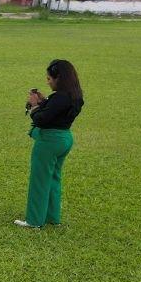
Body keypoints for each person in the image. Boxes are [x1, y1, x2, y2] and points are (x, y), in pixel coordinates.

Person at [16, 59, 84, 228]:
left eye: (49, 78)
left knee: (39, 180)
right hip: (64, 139)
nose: (48, 81)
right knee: (53, 178)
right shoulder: (74, 95)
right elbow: (56, 109)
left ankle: (34, 220)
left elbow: (42, 119)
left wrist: (33, 106)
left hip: (49, 142)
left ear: (59, 78)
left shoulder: (59, 97)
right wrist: (43, 100)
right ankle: (52, 217)